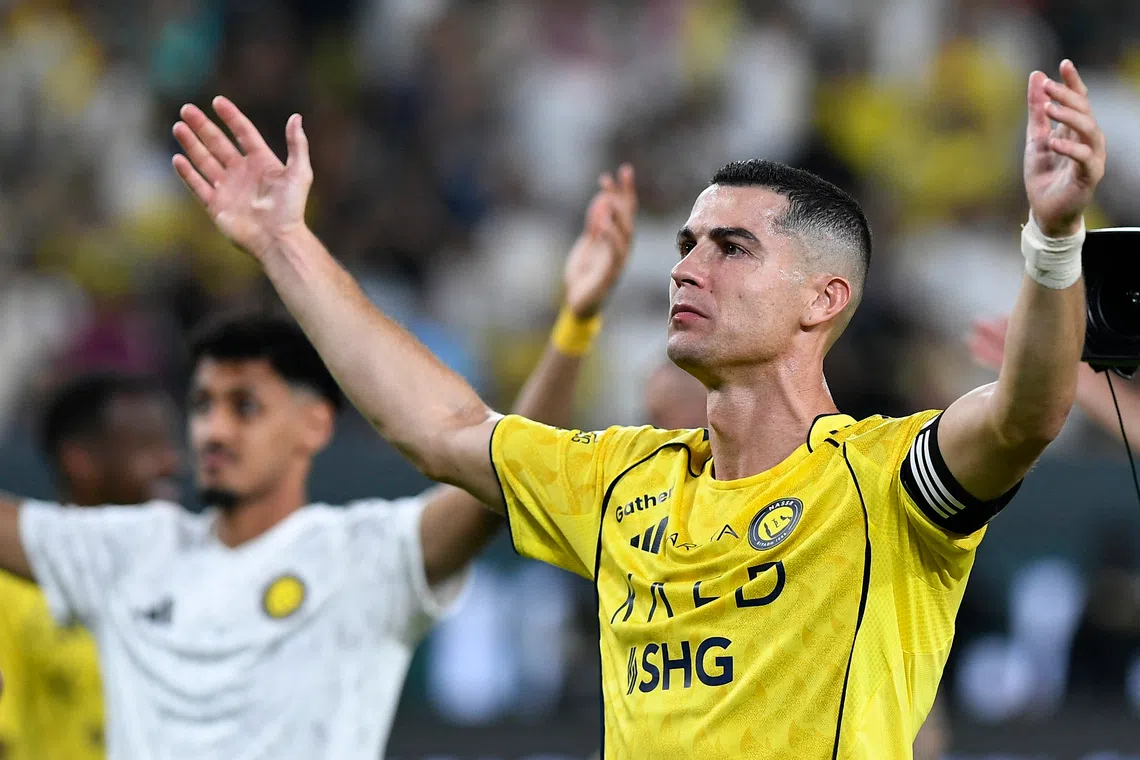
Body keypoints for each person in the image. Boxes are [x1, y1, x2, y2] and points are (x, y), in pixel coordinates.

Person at [169, 58, 1104, 758]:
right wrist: (285, 243)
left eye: (731, 248)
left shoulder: (882, 483)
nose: (685, 267)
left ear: (823, 299)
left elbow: (1026, 413)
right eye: (686, 242)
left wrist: (1054, 237)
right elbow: (441, 428)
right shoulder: (622, 481)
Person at [0, 170, 636, 760]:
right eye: (201, 405)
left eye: (244, 406)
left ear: (315, 425)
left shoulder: (361, 556)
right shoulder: (130, 552)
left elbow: (508, 474)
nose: (213, 429)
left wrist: (574, 327)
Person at [0, 372, 180, 760]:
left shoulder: (193, 578)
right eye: (146, 447)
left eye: (169, 444)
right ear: (79, 461)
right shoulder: (11, 589)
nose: (170, 461)